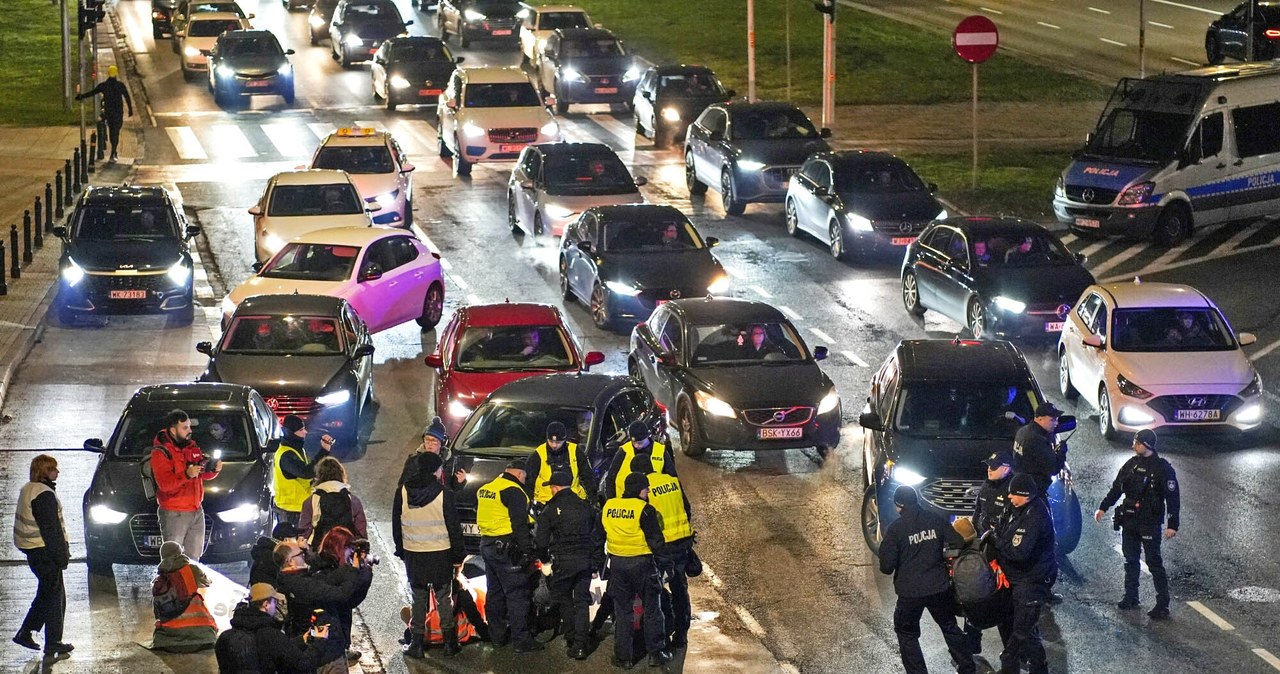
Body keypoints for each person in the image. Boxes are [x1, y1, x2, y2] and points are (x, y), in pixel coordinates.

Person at [878, 485, 974, 674]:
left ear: (899, 506)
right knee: (949, 626)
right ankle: (967, 667)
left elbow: (886, 567)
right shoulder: (934, 519)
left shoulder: (896, 529)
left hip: (910, 593)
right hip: (938, 587)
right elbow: (958, 541)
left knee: (907, 633)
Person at [1094, 428, 1180, 620]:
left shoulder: (1162, 469)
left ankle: (1162, 604)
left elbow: (1173, 497)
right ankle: (1131, 596)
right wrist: (1103, 507)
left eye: (1137, 443)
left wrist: (1172, 524)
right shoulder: (1131, 465)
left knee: (1153, 563)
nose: (1133, 445)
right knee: (1130, 560)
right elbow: (1116, 488)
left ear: (1146, 445)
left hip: (1149, 522)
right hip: (1130, 521)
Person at [393, 451, 465, 658]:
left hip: (414, 553)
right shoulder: (444, 493)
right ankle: (450, 643)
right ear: (436, 470)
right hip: (440, 553)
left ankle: (417, 643)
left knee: (418, 597)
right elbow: (454, 528)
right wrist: (458, 556)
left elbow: (396, 525)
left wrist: (401, 549)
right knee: (444, 597)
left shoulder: (403, 492)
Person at [601, 472, 671, 668]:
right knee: (652, 609)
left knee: (622, 611)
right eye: (647, 489)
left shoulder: (609, 506)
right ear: (641, 489)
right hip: (642, 564)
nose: (648, 492)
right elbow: (656, 541)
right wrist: (666, 564)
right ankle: (655, 653)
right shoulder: (645, 509)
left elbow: (599, 535)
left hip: (618, 565)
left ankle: (624, 657)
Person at [272, 536, 373, 669]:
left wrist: (353, 567)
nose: (304, 555)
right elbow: (342, 594)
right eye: (301, 553)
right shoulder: (301, 584)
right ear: (291, 561)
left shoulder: (293, 578)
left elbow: (329, 578)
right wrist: (354, 569)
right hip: (326, 654)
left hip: (320, 648)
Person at [533, 469, 602, 660]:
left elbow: (541, 542)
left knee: (564, 599)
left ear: (555, 488)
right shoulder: (585, 506)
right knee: (581, 601)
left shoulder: (550, 510)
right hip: (585, 560)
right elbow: (596, 535)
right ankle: (581, 644)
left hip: (562, 562)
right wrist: (595, 561)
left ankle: (571, 637)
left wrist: (545, 562)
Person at [994, 473, 1057, 674]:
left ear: (1026, 495)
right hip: (1016, 578)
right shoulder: (1017, 508)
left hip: (1032, 580)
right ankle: (1036, 667)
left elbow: (1019, 552)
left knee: (1022, 629)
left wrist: (998, 542)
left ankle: (1011, 660)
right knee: (1022, 629)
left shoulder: (1036, 515)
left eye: (1013, 494)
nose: (1009, 497)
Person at [476, 461, 541, 652]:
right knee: (517, 594)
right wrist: (528, 551)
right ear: (520, 475)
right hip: (506, 548)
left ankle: (497, 636)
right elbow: (519, 524)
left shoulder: (487, 488)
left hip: (487, 545)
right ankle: (521, 640)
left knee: (495, 592)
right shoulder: (514, 491)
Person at [632, 455, 696, 650]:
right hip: (682, 544)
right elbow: (687, 508)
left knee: (656, 592)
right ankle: (681, 634)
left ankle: (662, 635)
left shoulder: (645, 489)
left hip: (662, 547)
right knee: (680, 590)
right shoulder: (672, 481)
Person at [12, 455, 72, 659]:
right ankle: (37, 635)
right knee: (53, 597)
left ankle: (44, 638)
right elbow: (52, 531)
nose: (58, 472)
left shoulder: (28, 488)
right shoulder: (43, 495)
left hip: (33, 551)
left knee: (51, 594)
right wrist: (62, 557)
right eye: (53, 469)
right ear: (44, 472)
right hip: (44, 553)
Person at [216, 582, 335, 674]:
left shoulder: (226, 637)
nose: (276, 605)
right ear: (266, 604)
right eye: (274, 601)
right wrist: (320, 641)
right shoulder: (271, 635)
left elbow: (269, 650)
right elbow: (302, 665)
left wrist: (301, 640)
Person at [152, 409, 222, 560]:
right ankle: (171, 584)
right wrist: (186, 474)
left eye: (189, 427)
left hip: (196, 510)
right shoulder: (161, 453)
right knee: (173, 560)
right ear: (173, 430)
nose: (190, 431)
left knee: (194, 560)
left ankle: (191, 584)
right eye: (185, 428)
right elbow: (165, 484)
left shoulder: (190, 446)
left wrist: (213, 470)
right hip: (174, 513)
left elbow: (200, 474)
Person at [951, 518, 1012, 661]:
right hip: (994, 598)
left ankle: (972, 646)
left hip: (971, 606)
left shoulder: (954, 555)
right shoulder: (987, 547)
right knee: (1006, 620)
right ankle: (1012, 652)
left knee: (970, 611)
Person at [151, 541, 218, 653]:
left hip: (167, 642)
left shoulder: (159, 580)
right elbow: (208, 582)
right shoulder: (192, 569)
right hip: (202, 639)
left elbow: (157, 614)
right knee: (198, 597)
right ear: (180, 553)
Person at [274, 414, 334, 528]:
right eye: (301, 430)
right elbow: (306, 473)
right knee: (296, 544)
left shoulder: (296, 449)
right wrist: (324, 451)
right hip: (290, 511)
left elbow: (306, 477)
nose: (305, 432)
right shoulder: (286, 455)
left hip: (298, 507)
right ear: (291, 433)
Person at [299, 456, 368, 547]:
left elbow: (304, 532)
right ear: (341, 474)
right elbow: (361, 532)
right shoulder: (353, 501)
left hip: (319, 552)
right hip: (346, 551)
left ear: (318, 476)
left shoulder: (311, 501)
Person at [527, 421, 595, 509]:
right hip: (546, 503)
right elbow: (528, 481)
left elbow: (587, 477)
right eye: (551, 441)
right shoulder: (538, 454)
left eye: (558, 442)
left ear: (565, 439)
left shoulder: (575, 451)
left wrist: (593, 500)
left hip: (574, 502)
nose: (554, 445)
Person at [604, 420, 677, 500]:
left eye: (640, 442)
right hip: (627, 505)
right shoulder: (624, 451)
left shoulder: (660, 451)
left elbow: (673, 479)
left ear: (647, 437)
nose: (637, 445)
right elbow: (610, 478)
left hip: (654, 504)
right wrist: (611, 501)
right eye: (634, 442)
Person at [75, 64, 133, 161]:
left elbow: (92, 92)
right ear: (116, 74)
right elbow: (127, 97)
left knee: (111, 132)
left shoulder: (104, 86)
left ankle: (113, 152)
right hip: (118, 112)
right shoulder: (120, 86)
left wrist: (81, 96)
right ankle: (114, 152)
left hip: (109, 113)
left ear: (108, 74)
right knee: (116, 132)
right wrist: (130, 110)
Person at [1012, 403, 1065, 496]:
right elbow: (1054, 469)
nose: (1056, 423)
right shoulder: (1037, 439)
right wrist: (1062, 452)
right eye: (1052, 420)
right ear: (1040, 418)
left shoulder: (1022, 430)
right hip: (1033, 490)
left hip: (1019, 484)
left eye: (1056, 420)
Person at [402, 417, 467, 492]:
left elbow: (454, 489)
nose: (430, 443)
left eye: (434, 440)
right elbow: (404, 486)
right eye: (427, 439)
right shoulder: (414, 460)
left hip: (442, 501)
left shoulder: (450, 461)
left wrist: (460, 482)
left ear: (442, 442)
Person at [972, 450, 1013, 533]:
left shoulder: (1012, 489)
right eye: (988, 466)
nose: (989, 470)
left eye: (993, 467)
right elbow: (977, 510)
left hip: (1002, 538)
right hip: (983, 536)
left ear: (1005, 469)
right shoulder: (986, 485)